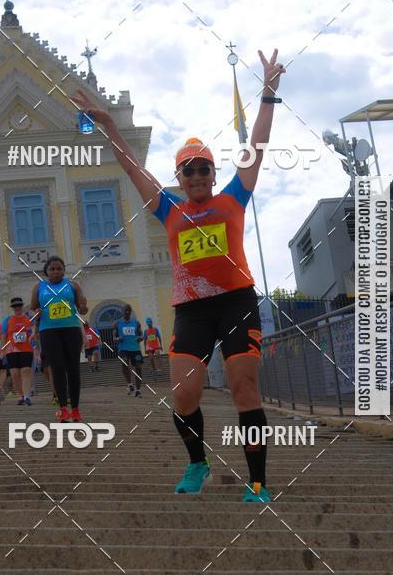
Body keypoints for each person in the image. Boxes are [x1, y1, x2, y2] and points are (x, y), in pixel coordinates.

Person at [73, 47, 285, 501]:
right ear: (179, 176)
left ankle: (259, 482)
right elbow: (131, 169)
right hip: (190, 310)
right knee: (184, 395)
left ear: (213, 171)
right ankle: (198, 464)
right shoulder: (168, 210)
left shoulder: (232, 199)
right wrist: (110, 126)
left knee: (242, 385)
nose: (196, 175)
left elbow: (258, 147)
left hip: (236, 303)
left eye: (203, 167)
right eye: (187, 170)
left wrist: (267, 96)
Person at [30, 255, 88, 422]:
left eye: (59, 269)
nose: (56, 272)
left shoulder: (72, 285)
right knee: (57, 369)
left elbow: (82, 310)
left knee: (73, 369)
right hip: (49, 331)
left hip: (71, 330)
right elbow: (33, 309)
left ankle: (75, 409)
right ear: (46, 272)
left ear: (64, 270)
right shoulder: (39, 287)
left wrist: (83, 305)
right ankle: (63, 409)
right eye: (52, 269)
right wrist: (36, 314)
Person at [1, 298, 36, 406]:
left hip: (27, 348)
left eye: (19, 306)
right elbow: (3, 335)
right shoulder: (7, 320)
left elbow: (34, 329)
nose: (17, 308)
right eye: (15, 306)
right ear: (12, 308)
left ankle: (26, 396)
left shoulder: (29, 319)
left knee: (26, 370)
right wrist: (3, 349)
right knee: (14, 373)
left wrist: (34, 334)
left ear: (22, 306)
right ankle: (20, 395)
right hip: (11, 349)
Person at [114, 305, 144, 397]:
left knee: (138, 367)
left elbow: (141, 335)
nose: (127, 312)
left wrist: (140, 338)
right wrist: (118, 339)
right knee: (124, 362)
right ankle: (130, 384)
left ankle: (138, 390)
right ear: (122, 311)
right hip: (123, 349)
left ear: (130, 311)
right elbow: (114, 338)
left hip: (135, 349)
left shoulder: (136, 322)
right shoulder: (117, 323)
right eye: (125, 310)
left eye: (129, 311)